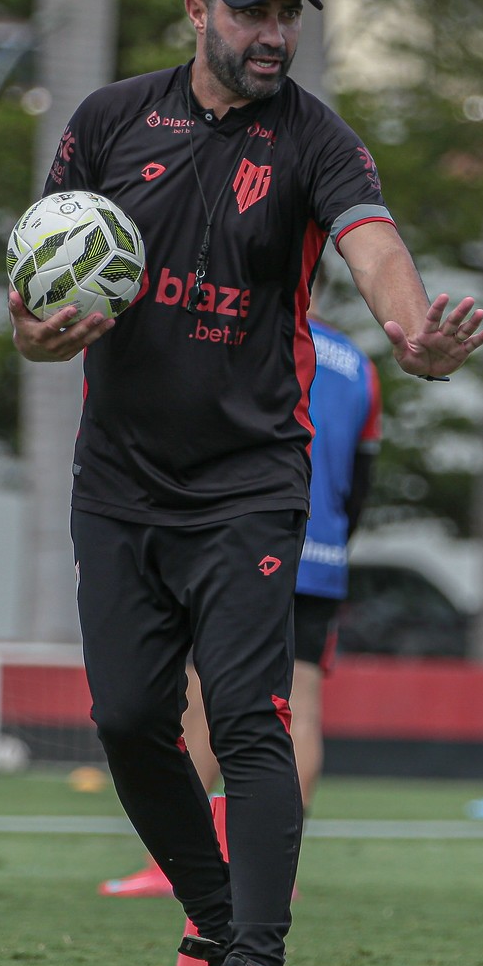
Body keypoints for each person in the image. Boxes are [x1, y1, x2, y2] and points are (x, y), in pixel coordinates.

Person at [15, 0, 483, 966]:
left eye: (288, 13)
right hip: (119, 481)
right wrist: (39, 337)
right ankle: (225, 928)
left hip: (248, 483)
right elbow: (32, 301)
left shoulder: (316, 140)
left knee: (246, 721)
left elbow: (371, 244)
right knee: (128, 719)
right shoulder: (106, 123)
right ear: (197, 11)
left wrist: (410, 327)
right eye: (252, 11)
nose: (273, 32)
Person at [99, 290, 381, 898]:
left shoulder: (243, 332)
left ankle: (176, 866)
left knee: (203, 698)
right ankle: (276, 874)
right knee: (299, 712)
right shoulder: (359, 363)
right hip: (321, 552)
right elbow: (362, 478)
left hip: (244, 537)